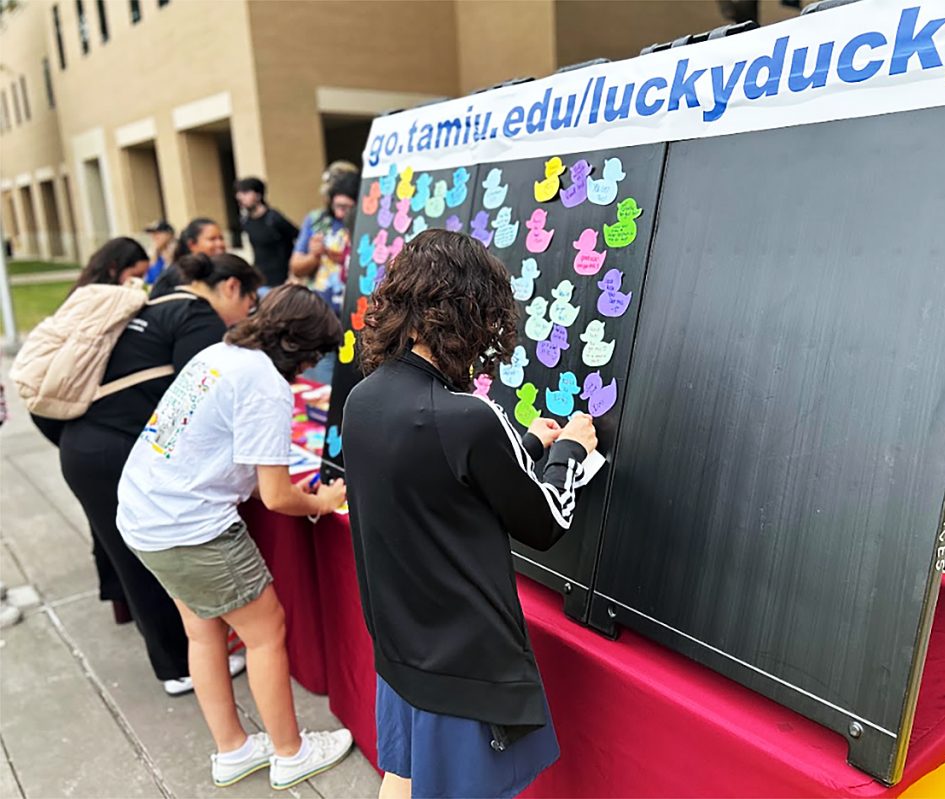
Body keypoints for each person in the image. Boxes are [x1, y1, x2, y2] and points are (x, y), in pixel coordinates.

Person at [342, 230, 599, 799]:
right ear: (476, 313)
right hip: (464, 666)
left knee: (403, 778)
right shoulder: (467, 416)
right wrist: (569, 454)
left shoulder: (366, 398)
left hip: (401, 647)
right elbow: (545, 522)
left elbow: (440, 477)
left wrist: (524, 446)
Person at [116, 285, 353, 790]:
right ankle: (291, 753)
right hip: (191, 528)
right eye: (313, 357)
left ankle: (233, 748)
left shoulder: (221, 351)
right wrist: (322, 503)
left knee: (204, 632)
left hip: (144, 514)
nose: (311, 368)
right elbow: (276, 496)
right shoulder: (266, 382)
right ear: (299, 348)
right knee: (265, 633)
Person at [59, 252, 263, 696]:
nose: (247, 317)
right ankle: (176, 667)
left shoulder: (159, 302)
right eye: (249, 304)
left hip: (83, 442)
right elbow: (205, 402)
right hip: (113, 448)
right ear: (231, 288)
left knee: (127, 551)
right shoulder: (199, 320)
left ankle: (171, 653)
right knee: (144, 560)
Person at [30, 236, 152, 624]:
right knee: (117, 533)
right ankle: (132, 607)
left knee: (104, 531)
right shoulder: (105, 303)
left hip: (69, 424)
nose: (140, 285)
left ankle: (123, 606)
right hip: (85, 421)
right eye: (137, 275)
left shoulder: (82, 295)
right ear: (117, 269)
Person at [289, 174, 359, 384]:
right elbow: (296, 268)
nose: (341, 212)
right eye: (337, 205)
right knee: (321, 387)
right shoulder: (317, 220)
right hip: (319, 317)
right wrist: (314, 256)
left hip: (354, 318)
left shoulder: (364, 221)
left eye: (347, 207)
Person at [234, 177, 299, 288]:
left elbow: (299, 238)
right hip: (261, 279)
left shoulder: (274, 218)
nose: (240, 197)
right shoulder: (245, 221)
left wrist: (294, 274)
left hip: (282, 280)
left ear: (258, 195)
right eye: (238, 193)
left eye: (245, 192)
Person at [150, 218, 228, 299]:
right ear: (192, 245)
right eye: (212, 239)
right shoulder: (180, 274)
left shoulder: (223, 268)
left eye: (221, 238)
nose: (220, 244)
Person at [143, 220, 176, 286]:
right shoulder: (152, 253)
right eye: (152, 234)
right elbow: (149, 279)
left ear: (169, 234)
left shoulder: (177, 251)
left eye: (158, 233)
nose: (154, 237)